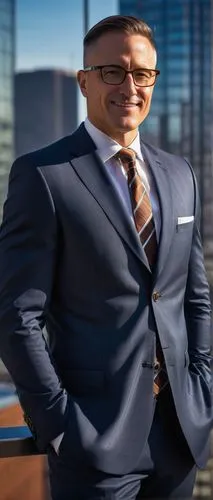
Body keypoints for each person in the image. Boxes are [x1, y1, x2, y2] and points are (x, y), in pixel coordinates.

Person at [0, 14, 212, 500]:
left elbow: (193, 297)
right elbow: (16, 315)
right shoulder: (44, 176)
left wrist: (202, 385)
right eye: (112, 72)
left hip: (180, 436)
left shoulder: (181, 174)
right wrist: (58, 423)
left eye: (142, 74)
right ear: (84, 81)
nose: (129, 87)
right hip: (92, 439)